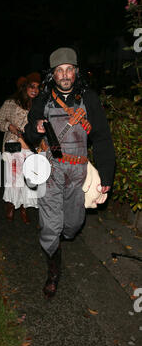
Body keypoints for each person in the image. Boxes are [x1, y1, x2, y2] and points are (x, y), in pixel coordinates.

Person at [24, 47, 115, 298]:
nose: (64, 75)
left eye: (69, 70)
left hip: (79, 172)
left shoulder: (90, 99)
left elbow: (103, 138)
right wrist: (36, 127)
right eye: (59, 71)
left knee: (73, 226)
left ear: (75, 72)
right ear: (53, 75)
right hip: (51, 170)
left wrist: (106, 175)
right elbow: (28, 134)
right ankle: (53, 271)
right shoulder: (43, 99)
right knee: (50, 227)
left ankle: (59, 235)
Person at [0, 72, 41, 223]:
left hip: (32, 149)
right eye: (32, 86)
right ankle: (10, 206)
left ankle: (23, 209)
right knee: (13, 180)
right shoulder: (11, 103)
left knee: (28, 181)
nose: (35, 90)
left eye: (38, 87)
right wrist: (9, 126)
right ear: (25, 87)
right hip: (14, 147)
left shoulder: (39, 105)